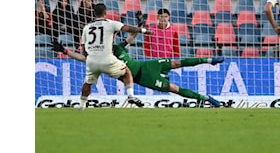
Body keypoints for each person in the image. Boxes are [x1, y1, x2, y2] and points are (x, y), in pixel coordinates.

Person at [52, 26, 224, 108]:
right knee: (174, 88)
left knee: (176, 62)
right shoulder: (101, 57)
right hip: (143, 78)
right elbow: (82, 58)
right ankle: (206, 98)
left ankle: (210, 60)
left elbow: (131, 36)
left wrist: (139, 25)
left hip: (146, 65)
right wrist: (65, 51)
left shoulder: (117, 47)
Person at [78, 3, 154, 111]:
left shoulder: (87, 27)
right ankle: (131, 96)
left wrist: (88, 58)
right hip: (107, 58)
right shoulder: (111, 24)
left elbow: (84, 48)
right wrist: (144, 30)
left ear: (94, 14)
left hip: (92, 59)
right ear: (105, 13)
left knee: (88, 82)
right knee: (127, 72)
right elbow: (128, 29)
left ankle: (82, 106)